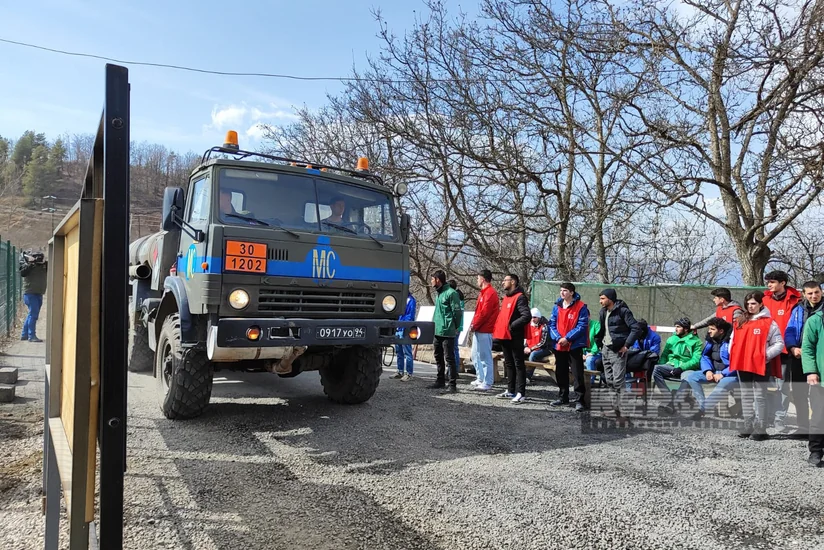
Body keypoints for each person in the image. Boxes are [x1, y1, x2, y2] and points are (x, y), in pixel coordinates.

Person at [730, 291, 784, 440]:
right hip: (743, 363)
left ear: (761, 304)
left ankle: (761, 428)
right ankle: (748, 425)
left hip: (761, 365)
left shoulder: (769, 322)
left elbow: (779, 344)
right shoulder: (740, 321)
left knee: (760, 396)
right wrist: (733, 354)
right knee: (746, 395)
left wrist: (764, 356)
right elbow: (732, 340)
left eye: (753, 303)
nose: (750, 306)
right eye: (748, 304)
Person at [783, 280, 824, 438]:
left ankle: (817, 428)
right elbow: (790, 330)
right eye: (810, 293)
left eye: (817, 292)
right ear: (804, 294)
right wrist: (792, 347)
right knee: (799, 393)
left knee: (817, 395)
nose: (814, 296)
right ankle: (803, 427)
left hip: (818, 358)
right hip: (799, 356)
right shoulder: (798, 309)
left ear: (821, 292)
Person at [763, 270, 801, 432]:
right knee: (761, 386)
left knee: (782, 387)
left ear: (783, 283)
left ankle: (779, 419)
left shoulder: (796, 301)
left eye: (772, 282)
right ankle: (764, 417)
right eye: (768, 282)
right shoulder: (763, 300)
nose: (769, 285)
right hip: (764, 351)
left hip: (785, 351)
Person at [679, 318, 738, 420]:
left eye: (712, 329)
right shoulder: (710, 341)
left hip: (731, 375)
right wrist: (707, 370)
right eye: (709, 329)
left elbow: (738, 362)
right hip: (714, 372)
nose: (709, 331)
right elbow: (704, 356)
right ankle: (702, 407)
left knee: (723, 382)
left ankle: (702, 410)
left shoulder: (733, 341)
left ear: (721, 331)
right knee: (691, 377)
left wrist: (723, 374)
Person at [595, 289, 640, 417]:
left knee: (618, 381)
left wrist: (626, 346)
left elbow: (636, 328)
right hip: (605, 349)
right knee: (609, 380)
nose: (600, 301)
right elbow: (603, 330)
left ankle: (624, 411)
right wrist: (599, 344)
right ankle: (615, 410)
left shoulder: (623, 311)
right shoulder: (603, 312)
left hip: (618, 350)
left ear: (610, 299)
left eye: (603, 298)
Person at [549, 283, 590, 412]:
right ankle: (563, 397)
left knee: (577, 373)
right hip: (559, 345)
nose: (562, 293)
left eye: (565, 290)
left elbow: (582, 326)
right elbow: (552, 324)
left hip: (574, 345)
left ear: (572, 292)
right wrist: (558, 338)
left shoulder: (581, 307)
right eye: (561, 290)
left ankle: (580, 401)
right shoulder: (557, 306)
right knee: (560, 372)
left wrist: (567, 338)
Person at [492, 273, 531, 404]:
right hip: (504, 336)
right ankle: (510, 390)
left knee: (518, 364)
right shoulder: (506, 297)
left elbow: (526, 316)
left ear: (513, 282)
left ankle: (521, 393)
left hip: (515, 336)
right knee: (509, 363)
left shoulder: (520, 297)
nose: (503, 282)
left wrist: (512, 325)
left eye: (505, 280)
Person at [652, 318, 703, 415]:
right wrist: (663, 364)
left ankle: (674, 402)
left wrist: (681, 368)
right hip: (671, 366)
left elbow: (696, 360)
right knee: (656, 369)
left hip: (687, 369)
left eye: (678, 327)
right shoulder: (671, 339)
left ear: (686, 329)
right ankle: (668, 397)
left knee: (689, 377)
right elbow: (664, 355)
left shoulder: (696, 341)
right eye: (675, 326)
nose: (675, 329)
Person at [428, 270, 462, 393]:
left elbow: (457, 312)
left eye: (432, 279)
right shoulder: (439, 293)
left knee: (449, 358)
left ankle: (452, 384)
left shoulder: (451, 293)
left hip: (447, 330)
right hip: (437, 330)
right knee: (438, 356)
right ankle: (440, 380)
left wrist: (455, 326)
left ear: (438, 280)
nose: (431, 281)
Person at [800, 298, 824, 466]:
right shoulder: (815, 320)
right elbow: (807, 348)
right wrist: (811, 371)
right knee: (819, 416)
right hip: (820, 379)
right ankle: (816, 451)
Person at [470, 269, 499, 392]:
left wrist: (475, 324)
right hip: (479, 328)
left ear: (482, 279)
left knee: (484, 356)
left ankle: (488, 381)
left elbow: (484, 313)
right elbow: (479, 312)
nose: (477, 280)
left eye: (478, 278)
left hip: (485, 329)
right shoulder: (483, 293)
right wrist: (474, 324)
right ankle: (480, 377)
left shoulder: (490, 293)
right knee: (475, 354)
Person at [20, 250, 48, 342]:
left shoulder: (43, 266)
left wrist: (44, 261)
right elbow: (23, 273)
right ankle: (31, 336)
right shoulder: (27, 266)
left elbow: (53, 265)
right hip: (30, 293)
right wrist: (31, 263)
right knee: (33, 315)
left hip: (39, 293)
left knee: (31, 314)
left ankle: (24, 334)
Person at [390, 292, 416, 381]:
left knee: (407, 352)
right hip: (398, 328)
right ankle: (400, 371)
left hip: (405, 328)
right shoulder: (399, 299)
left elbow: (410, 316)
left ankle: (409, 373)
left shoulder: (411, 300)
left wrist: (403, 324)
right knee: (399, 351)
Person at [524, 308, 551, 384]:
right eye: (531, 317)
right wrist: (526, 346)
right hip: (531, 347)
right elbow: (525, 338)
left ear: (539, 317)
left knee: (533, 355)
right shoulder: (528, 325)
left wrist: (531, 349)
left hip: (545, 348)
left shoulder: (544, 326)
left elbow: (543, 342)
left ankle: (527, 376)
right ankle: (518, 374)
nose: (532, 319)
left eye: (534, 317)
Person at [448, 280, 466, 373]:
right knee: (455, 348)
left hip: (455, 326)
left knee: (453, 348)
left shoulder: (455, 297)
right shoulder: (460, 297)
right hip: (459, 326)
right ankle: (456, 369)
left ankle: (454, 370)